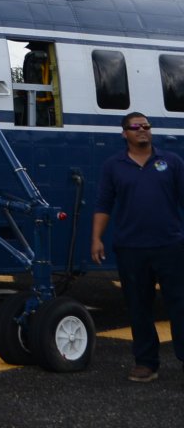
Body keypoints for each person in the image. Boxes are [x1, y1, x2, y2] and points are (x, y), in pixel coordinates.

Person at [91, 112, 184, 382]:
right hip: (131, 248)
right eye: (135, 127)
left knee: (180, 306)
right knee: (138, 307)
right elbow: (104, 204)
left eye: (146, 126)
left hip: (170, 246)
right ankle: (146, 363)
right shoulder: (113, 166)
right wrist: (96, 238)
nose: (142, 130)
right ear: (124, 134)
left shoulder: (172, 162)